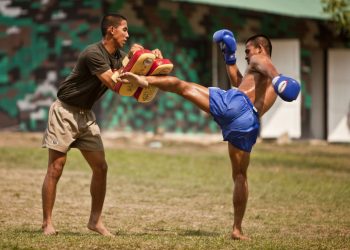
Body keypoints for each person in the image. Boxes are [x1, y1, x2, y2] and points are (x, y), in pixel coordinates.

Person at [117, 30, 300, 240]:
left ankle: (144, 80)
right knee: (240, 176)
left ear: (260, 48)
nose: (247, 56)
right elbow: (239, 82)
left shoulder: (261, 59)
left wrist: (278, 78)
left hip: (234, 104)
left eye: (247, 51)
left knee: (182, 87)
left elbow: (264, 64)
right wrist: (229, 58)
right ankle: (237, 229)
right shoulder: (265, 80)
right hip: (247, 121)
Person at [41, 13, 161, 236]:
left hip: (86, 115)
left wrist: (150, 58)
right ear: (111, 31)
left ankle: (95, 222)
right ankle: (47, 223)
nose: (127, 34)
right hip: (64, 111)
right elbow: (113, 82)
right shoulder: (93, 53)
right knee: (56, 168)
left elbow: (135, 74)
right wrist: (134, 58)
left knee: (101, 167)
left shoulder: (118, 56)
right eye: (124, 29)